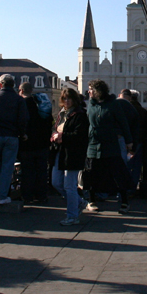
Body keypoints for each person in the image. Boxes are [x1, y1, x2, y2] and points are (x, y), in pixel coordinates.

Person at [84, 80, 132, 214]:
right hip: (93, 145)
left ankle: (124, 201)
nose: (89, 92)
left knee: (118, 174)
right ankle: (91, 201)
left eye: (91, 89)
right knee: (91, 173)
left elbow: (123, 123)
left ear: (98, 91)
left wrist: (128, 141)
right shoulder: (91, 105)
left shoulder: (113, 104)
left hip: (110, 144)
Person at [0, 74, 28, 205]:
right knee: (7, 166)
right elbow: (23, 118)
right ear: (13, 84)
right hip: (11, 135)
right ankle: (3, 195)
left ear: (0, 84)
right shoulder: (18, 99)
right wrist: (22, 133)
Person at [50, 88, 89, 225]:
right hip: (60, 151)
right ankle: (79, 202)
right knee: (56, 182)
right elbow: (57, 128)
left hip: (73, 153)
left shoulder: (79, 114)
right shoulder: (62, 113)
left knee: (69, 186)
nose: (66, 101)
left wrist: (62, 136)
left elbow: (80, 135)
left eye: (69, 98)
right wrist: (55, 135)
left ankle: (72, 216)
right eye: (64, 98)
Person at [19, 82, 53, 204]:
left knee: (27, 171)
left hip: (27, 144)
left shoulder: (22, 104)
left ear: (21, 90)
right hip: (42, 143)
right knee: (42, 171)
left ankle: (27, 196)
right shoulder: (40, 103)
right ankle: (42, 195)